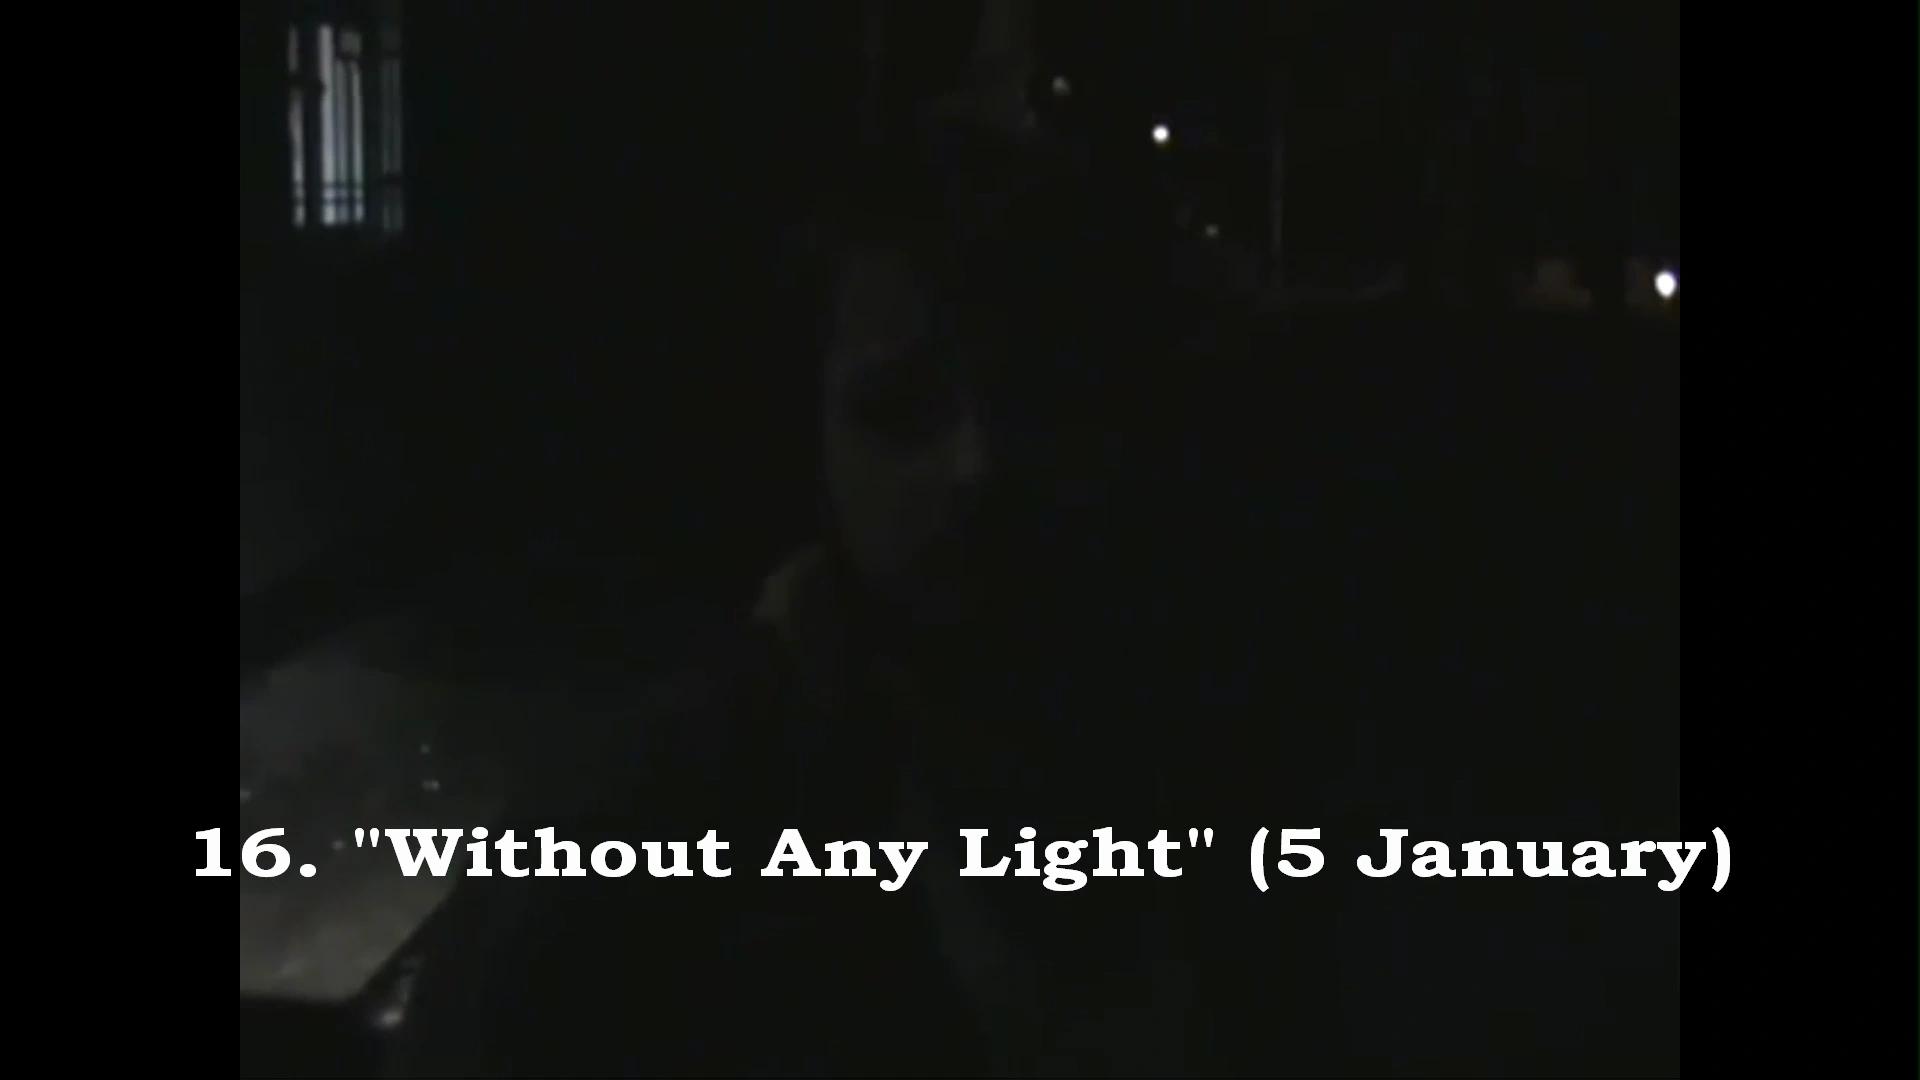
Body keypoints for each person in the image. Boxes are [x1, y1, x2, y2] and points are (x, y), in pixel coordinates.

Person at [386, 134, 1217, 1078]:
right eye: (898, 408)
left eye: (1044, 397)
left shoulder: (1263, 753)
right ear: (810, 434)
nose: (976, 466)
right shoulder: (635, 838)